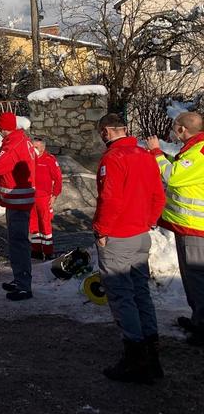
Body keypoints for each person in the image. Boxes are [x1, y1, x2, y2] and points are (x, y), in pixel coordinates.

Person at [94, 113, 166, 383]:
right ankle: (151, 351)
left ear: (106, 132)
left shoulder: (113, 159)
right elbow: (158, 194)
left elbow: (110, 198)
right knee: (141, 292)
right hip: (140, 234)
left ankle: (135, 356)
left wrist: (102, 230)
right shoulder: (145, 155)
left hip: (119, 235)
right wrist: (148, 220)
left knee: (122, 295)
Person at [148, 111, 204, 346]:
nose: (173, 131)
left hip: (196, 228)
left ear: (182, 129)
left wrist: (156, 152)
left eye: (174, 127)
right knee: (192, 277)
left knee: (197, 277)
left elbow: (173, 176)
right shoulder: (193, 149)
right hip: (188, 226)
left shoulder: (199, 151)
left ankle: (202, 327)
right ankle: (198, 319)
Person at [0, 112, 36, 301]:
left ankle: (24, 285)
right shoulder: (22, 139)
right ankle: (20, 279)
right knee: (17, 241)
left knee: (18, 243)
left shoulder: (12, 143)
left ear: (2, 127)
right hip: (20, 198)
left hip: (17, 199)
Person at [30, 136, 63, 261]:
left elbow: (58, 180)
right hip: (31, 196)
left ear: (43, 148)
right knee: (33, 225)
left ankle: (48, 251)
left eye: (36, 147)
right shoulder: (29, 159)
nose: (34, 149)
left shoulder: (49, 160)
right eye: (32, 147)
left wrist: (54, 195)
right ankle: (36, 250)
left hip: (44, 198)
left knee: (45, 224)